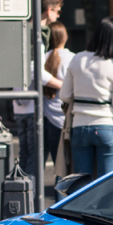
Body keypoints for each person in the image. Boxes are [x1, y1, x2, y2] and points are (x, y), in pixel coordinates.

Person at [60, 17, 113, 179]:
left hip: (79, 127)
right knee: (107, 183)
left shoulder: (78, 59)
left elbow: (64, 95)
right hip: (107, 127)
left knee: (81, 184)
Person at [15, 0, 63, 178]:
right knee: (33, 162)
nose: (58, 16)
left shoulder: (22, 30)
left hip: (19, 102)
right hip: (32, 104)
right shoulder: (38, 35)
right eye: (57, 11)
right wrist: (62, 85)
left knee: (26, 158)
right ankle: (30, 201)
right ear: (49, 10)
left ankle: (23, 200)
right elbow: (36, 70)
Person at [42, 21, 74, 168]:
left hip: (46, 117)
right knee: (63, 168)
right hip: (64, 118)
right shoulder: (72, 58)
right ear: (65, 36)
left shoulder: (43, 57)